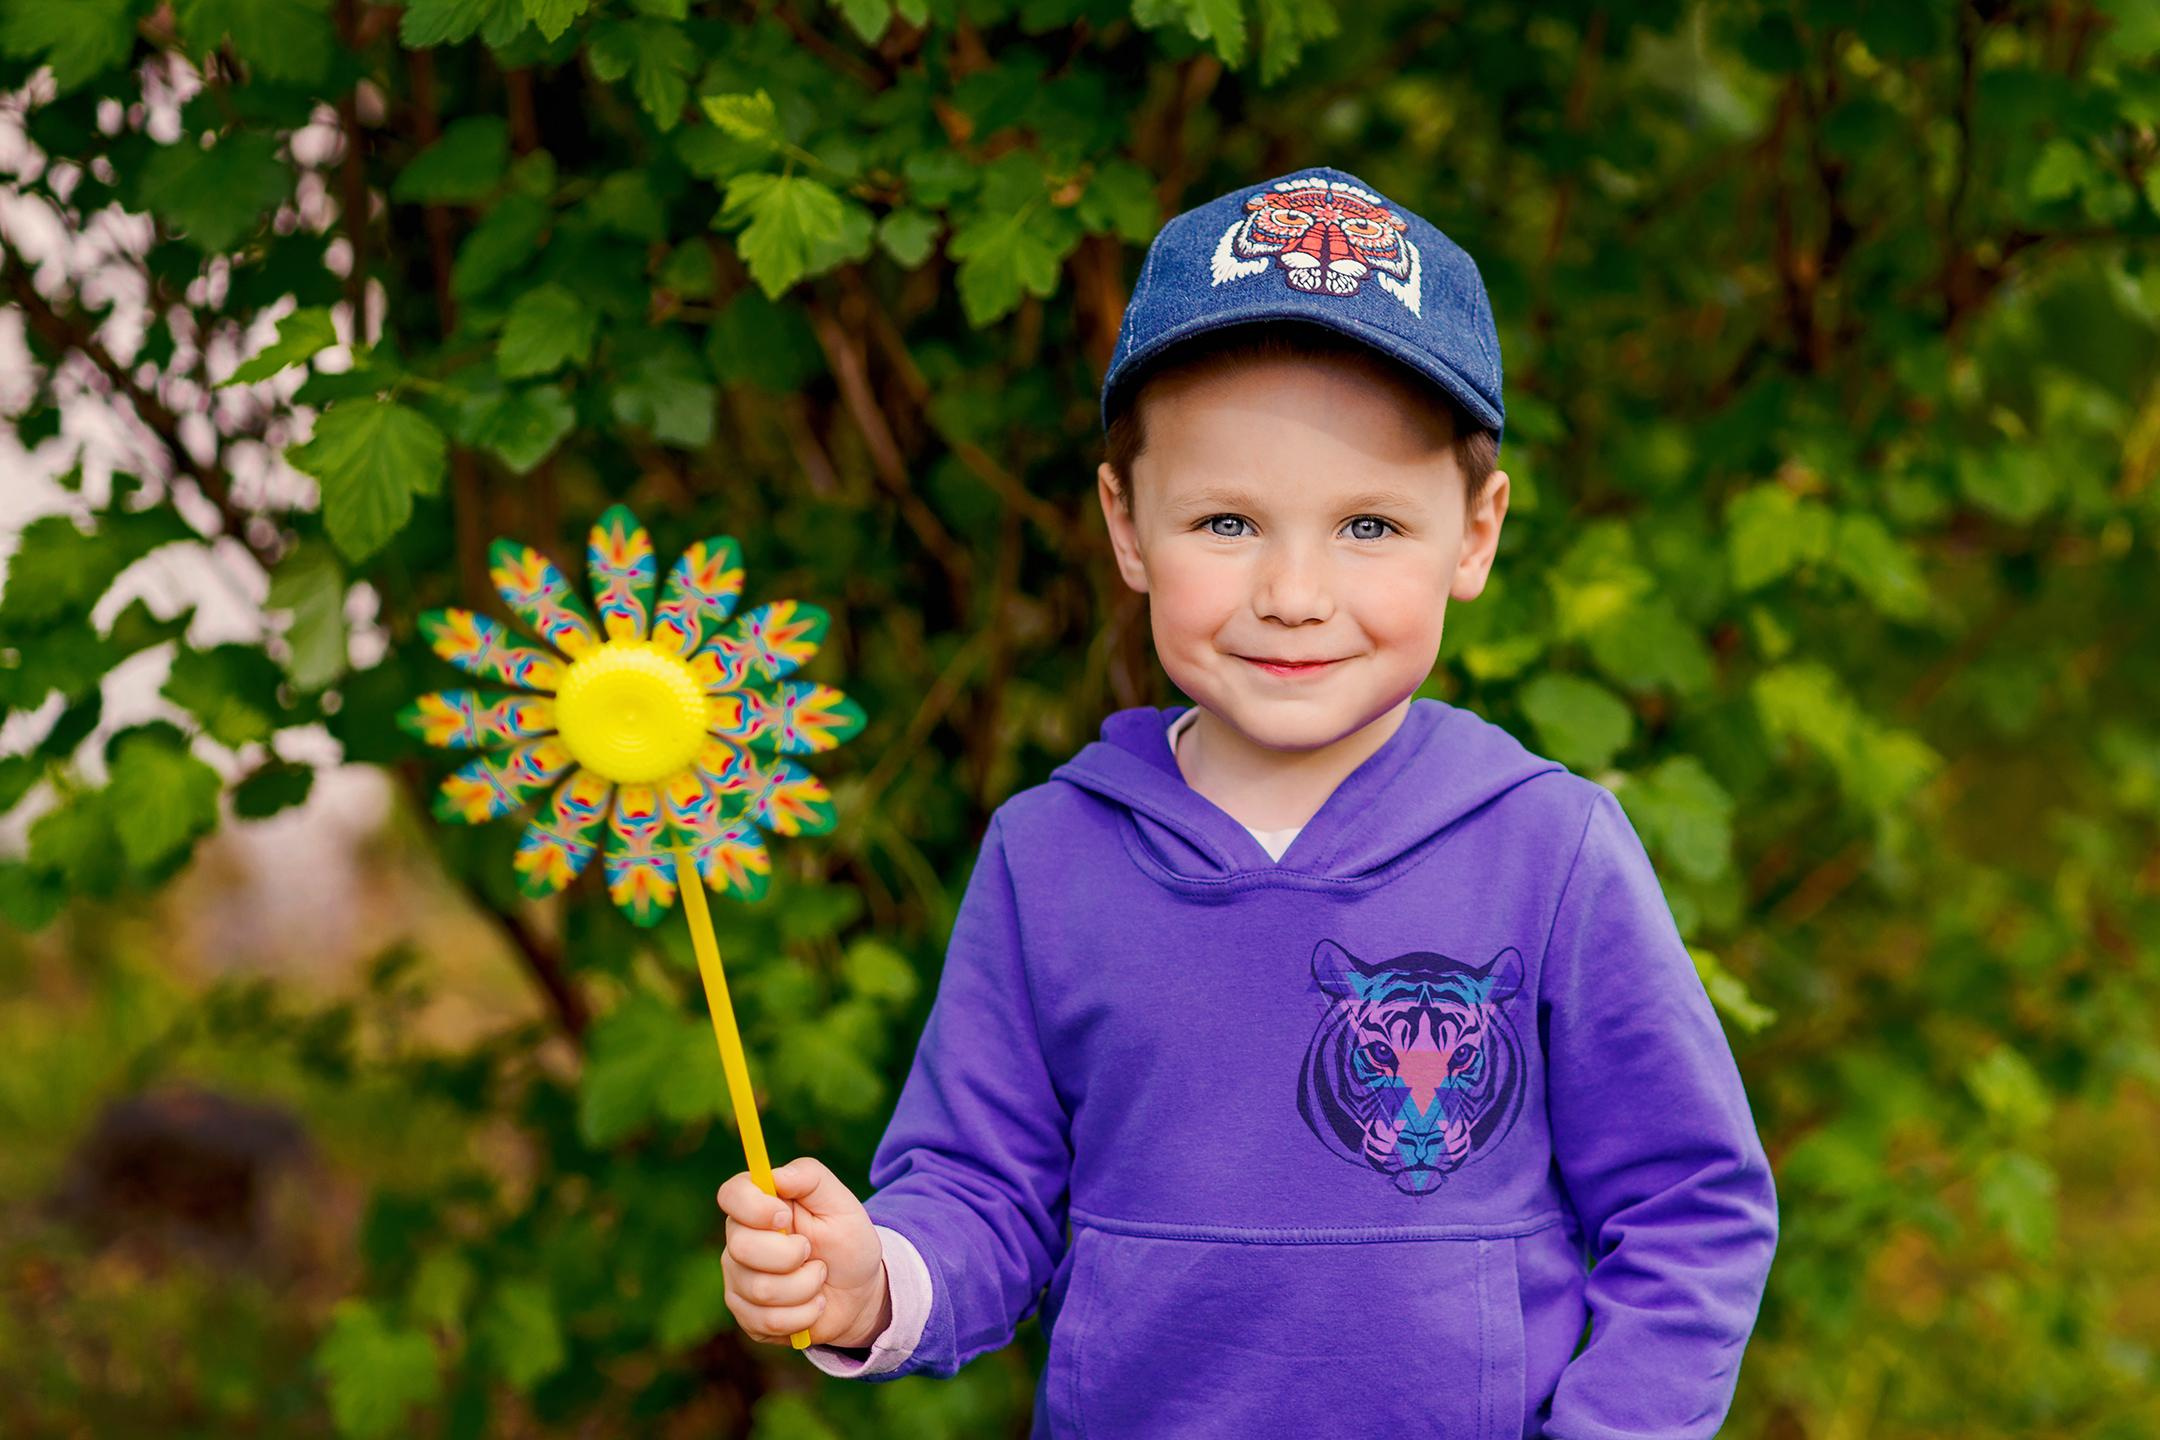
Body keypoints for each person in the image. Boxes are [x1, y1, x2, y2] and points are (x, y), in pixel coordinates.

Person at [716, 163, 1779, 1439]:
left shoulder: (1547, 847)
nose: (1292, 590)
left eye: (1369, 527)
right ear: (1126, 526)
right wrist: (873, 1279)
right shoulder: (1049, 855)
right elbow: (984, 1194)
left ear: (1477, 534)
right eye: (1225, 520)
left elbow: (1691, 1210)